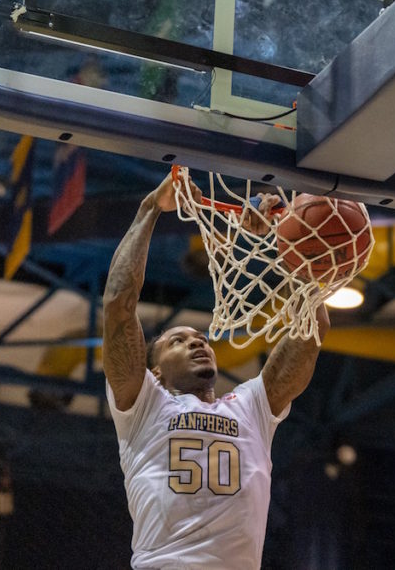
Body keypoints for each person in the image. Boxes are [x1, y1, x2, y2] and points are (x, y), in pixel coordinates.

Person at [103, 171, 329, 569]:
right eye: (178, 340)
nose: (197, 341)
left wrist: (285, 237)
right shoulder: (143, 406)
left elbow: (312, 329)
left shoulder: (250, 408)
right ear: (154, 372)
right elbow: (119, 304)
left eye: (201, 338)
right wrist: (150, 208)